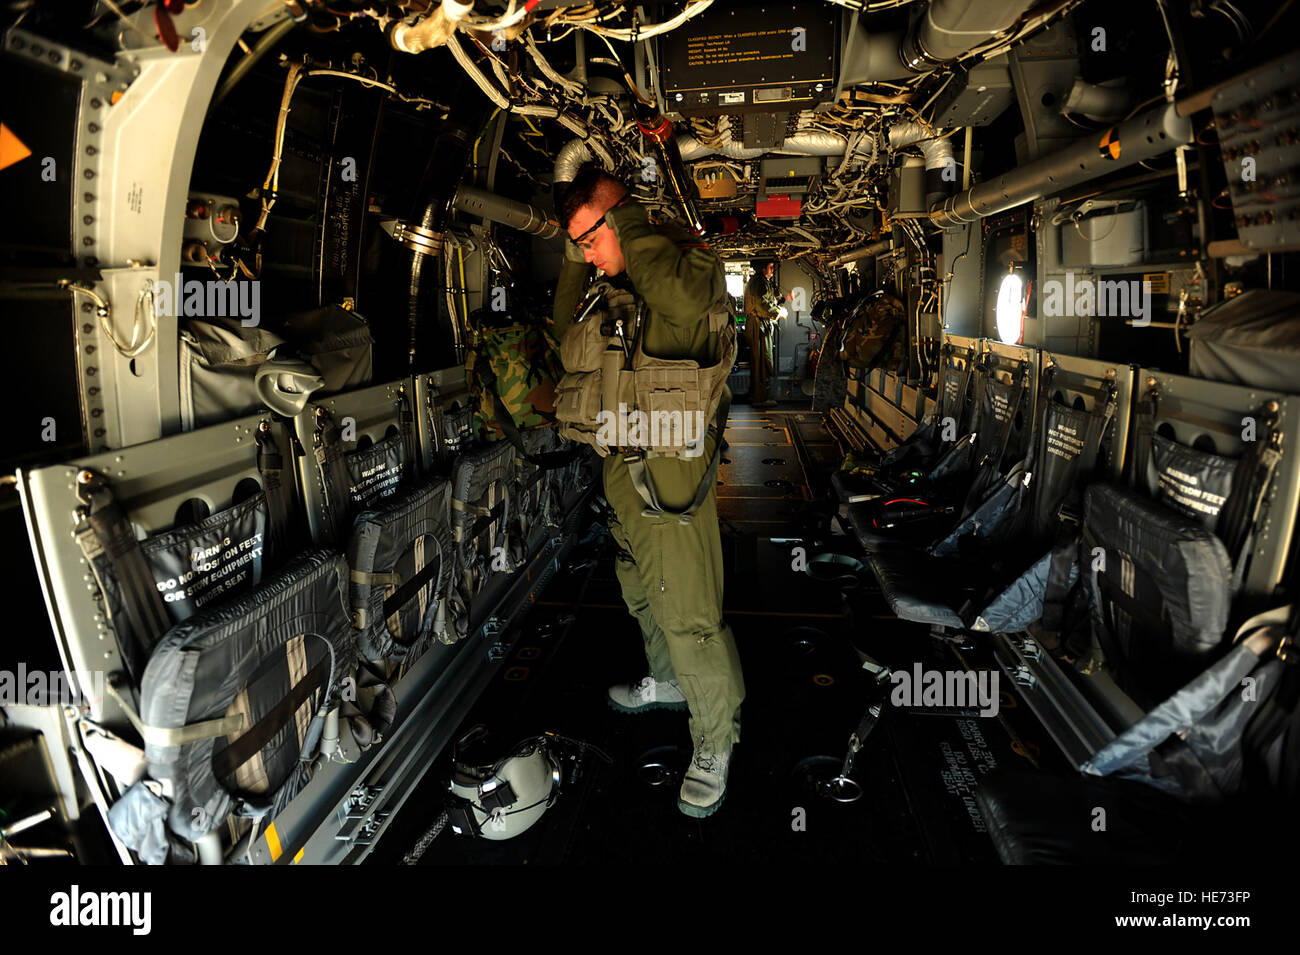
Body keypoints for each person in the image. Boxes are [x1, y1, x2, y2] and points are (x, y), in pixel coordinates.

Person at [551, 164, 745, 818]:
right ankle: (666, 681)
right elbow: (562, 332)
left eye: (589, 238)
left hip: (671, 474)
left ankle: (716, 739)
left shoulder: (686, 274)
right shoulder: (618, 290)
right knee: (638, 583)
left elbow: (681, 300)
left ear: (622, 220)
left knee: (688, 608)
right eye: (578, 244)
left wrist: (626, 221)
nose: (586, 252)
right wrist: (589, 252)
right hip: (625, 465)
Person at [743, 260, 791, 408]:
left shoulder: (763, 282)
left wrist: (784, 300)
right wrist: (779, 312)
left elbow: (769, 299)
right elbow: (761, 304)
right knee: (762, 362)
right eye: (770, 266)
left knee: (763, 361)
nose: (773, 269)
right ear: (762, 267)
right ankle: (760, 399)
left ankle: (759, 396)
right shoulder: (758, 282)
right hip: (758, 326)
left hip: (761, 325)